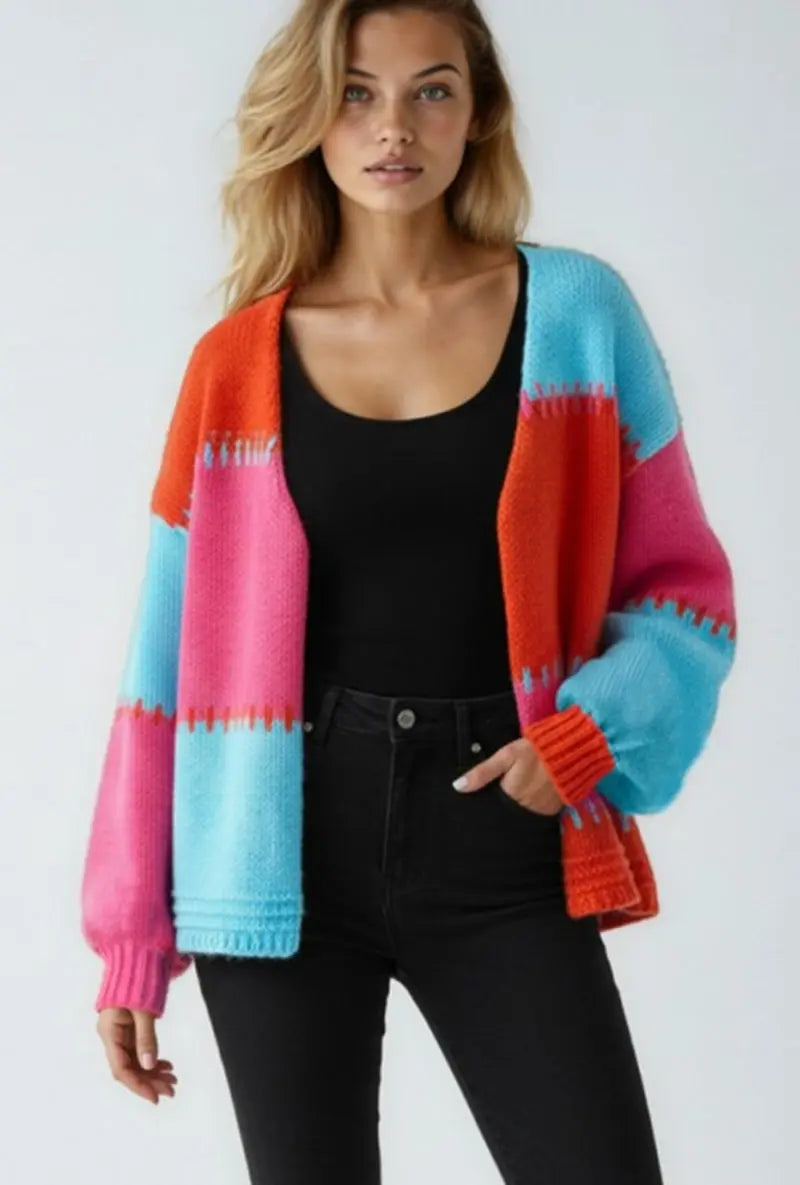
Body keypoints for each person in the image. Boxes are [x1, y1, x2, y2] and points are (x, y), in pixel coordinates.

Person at [80, 2, 737, 1182]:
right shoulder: (234, 365)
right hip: (278, 848)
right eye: (356, 92)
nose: (394, 127)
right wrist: (131, 935)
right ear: (310, 115)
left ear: (475, 112)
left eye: (430, 89)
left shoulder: (575, 315)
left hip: (501, 829)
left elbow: (681, 593)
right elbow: (160, 672)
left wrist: (584, 738)